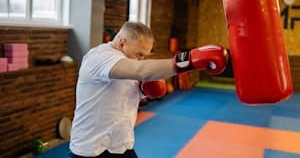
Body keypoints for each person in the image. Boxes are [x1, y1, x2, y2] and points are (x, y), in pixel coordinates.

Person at [68, 21, 228, 158]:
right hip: (89, 150)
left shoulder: (128, 61)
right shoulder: (100, 57)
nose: (141, 59)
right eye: (139, 54)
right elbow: (140, 70)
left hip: (120, 145)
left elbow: (130, 90)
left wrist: (146, 90)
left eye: (144, 55)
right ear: (122, 43)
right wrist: (190, 60)